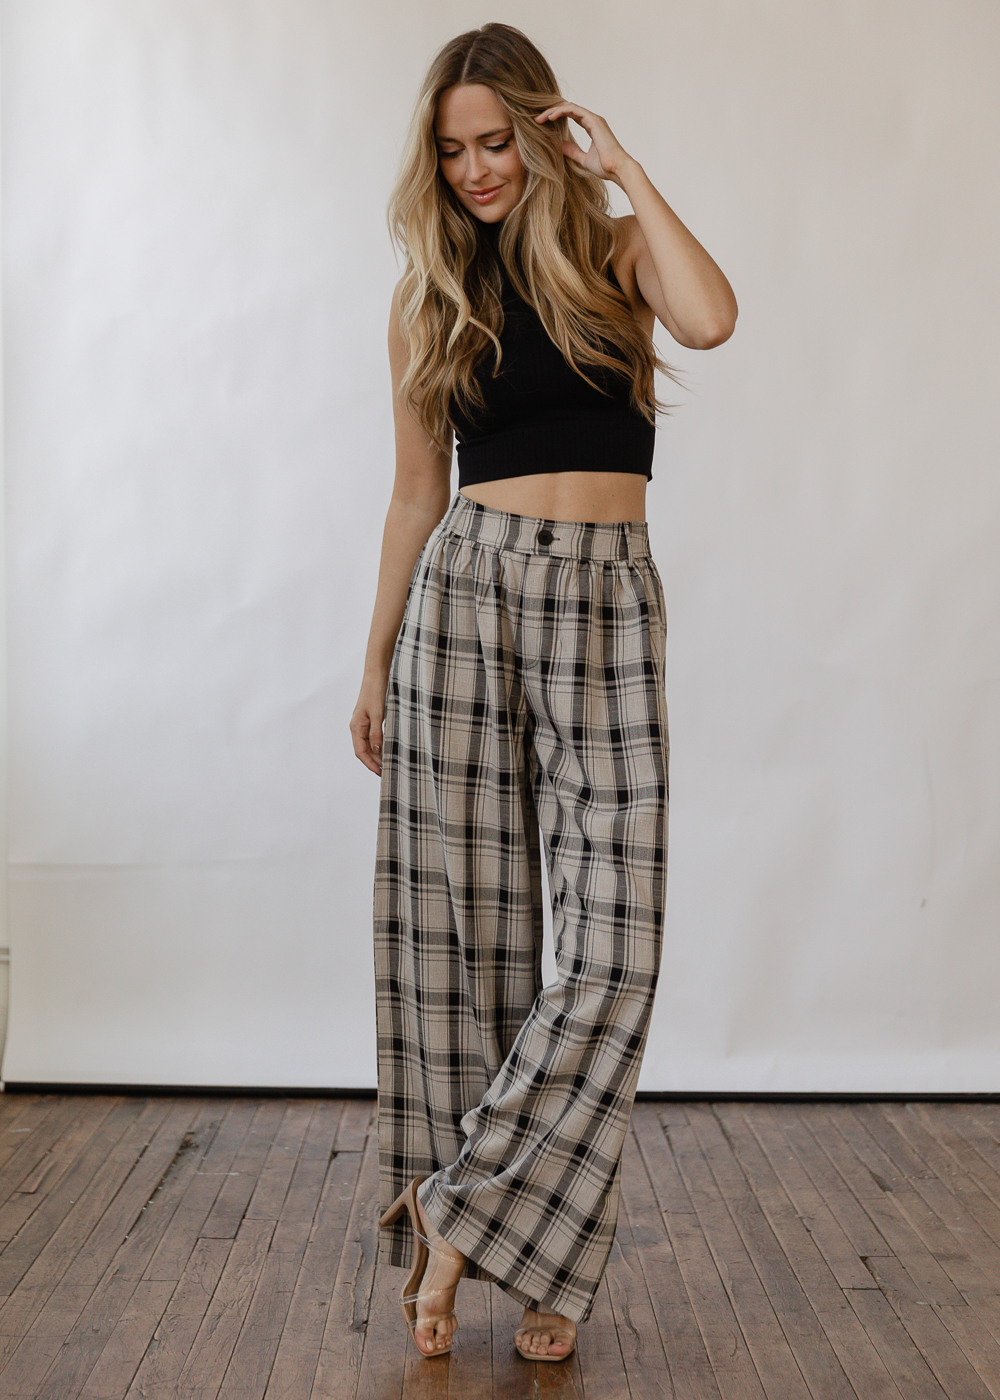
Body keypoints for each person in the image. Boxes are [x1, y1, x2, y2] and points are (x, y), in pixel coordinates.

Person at [350, 21, 736, 1364]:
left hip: (610, 599)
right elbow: (414, 495)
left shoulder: (616, 254)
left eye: (495, 142)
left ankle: (465, 1215)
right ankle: (536, 1269)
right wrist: (375, 657)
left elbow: (712, 317)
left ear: (540, 130)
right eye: (453, 151)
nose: (475, 170)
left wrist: (623, 167)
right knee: (473, 944)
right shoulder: (428, 299)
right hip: (468, 597)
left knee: (614, 950)